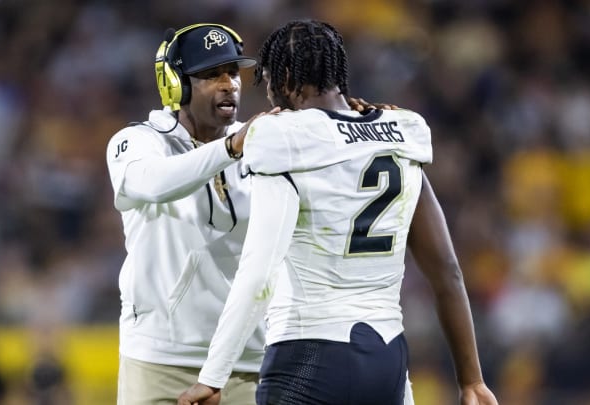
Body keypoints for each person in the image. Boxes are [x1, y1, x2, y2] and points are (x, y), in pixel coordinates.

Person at [178, 19, 499, 405]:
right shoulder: (402, 130)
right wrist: (471, 380)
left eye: (266, 81)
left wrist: (213, 377)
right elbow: (447, 270)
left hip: (310, 354)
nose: (267, 97)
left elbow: (259, 273)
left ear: (283, 76)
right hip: (388, 358)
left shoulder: (282, 136)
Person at [105, 23, 273, 405]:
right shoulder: (137, 141)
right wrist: (230, 148)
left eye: (233, 72)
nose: (229, 84)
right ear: (175, 85)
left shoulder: (261, 140)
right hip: (159, 360)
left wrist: (357, 114)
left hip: (246, 358)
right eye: (211, 75)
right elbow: (152, 182)